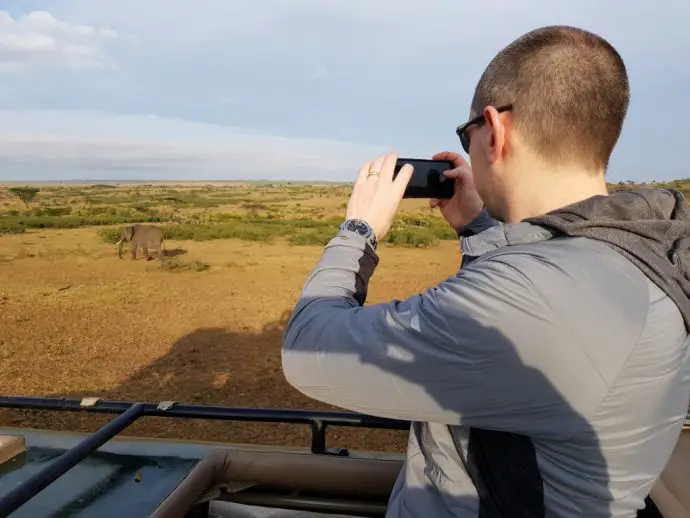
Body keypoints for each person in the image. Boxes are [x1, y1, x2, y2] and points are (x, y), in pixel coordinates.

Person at [281, 25, 690, 517]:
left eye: (467, 133)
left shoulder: (541, 297)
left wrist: (359, 229)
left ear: (495, 130)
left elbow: (308, 347)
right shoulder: (640, 250)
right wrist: (479, 229)